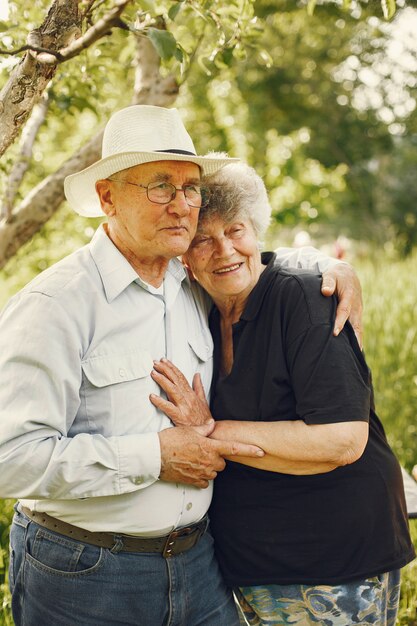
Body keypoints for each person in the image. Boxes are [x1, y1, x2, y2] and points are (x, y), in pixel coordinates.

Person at [0, 105, 362, 626]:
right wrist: (153, 456)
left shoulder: (192, 283)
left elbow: (245, 258)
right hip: (86, 572)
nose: (182, 206)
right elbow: (12, 458)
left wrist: (327, 265)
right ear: (108, 198)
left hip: (197, 563)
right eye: (160, 187)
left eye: (191, 188)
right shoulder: (55, 305)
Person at [150, 159, 415, 626]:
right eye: (202, 240)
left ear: (256, 231)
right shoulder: (201, 312)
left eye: (235, 230)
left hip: (335, 559)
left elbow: (342, 440)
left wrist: (208, 430)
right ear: (184, 257)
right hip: (255, 563)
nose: (224, 250)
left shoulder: (304, 298)